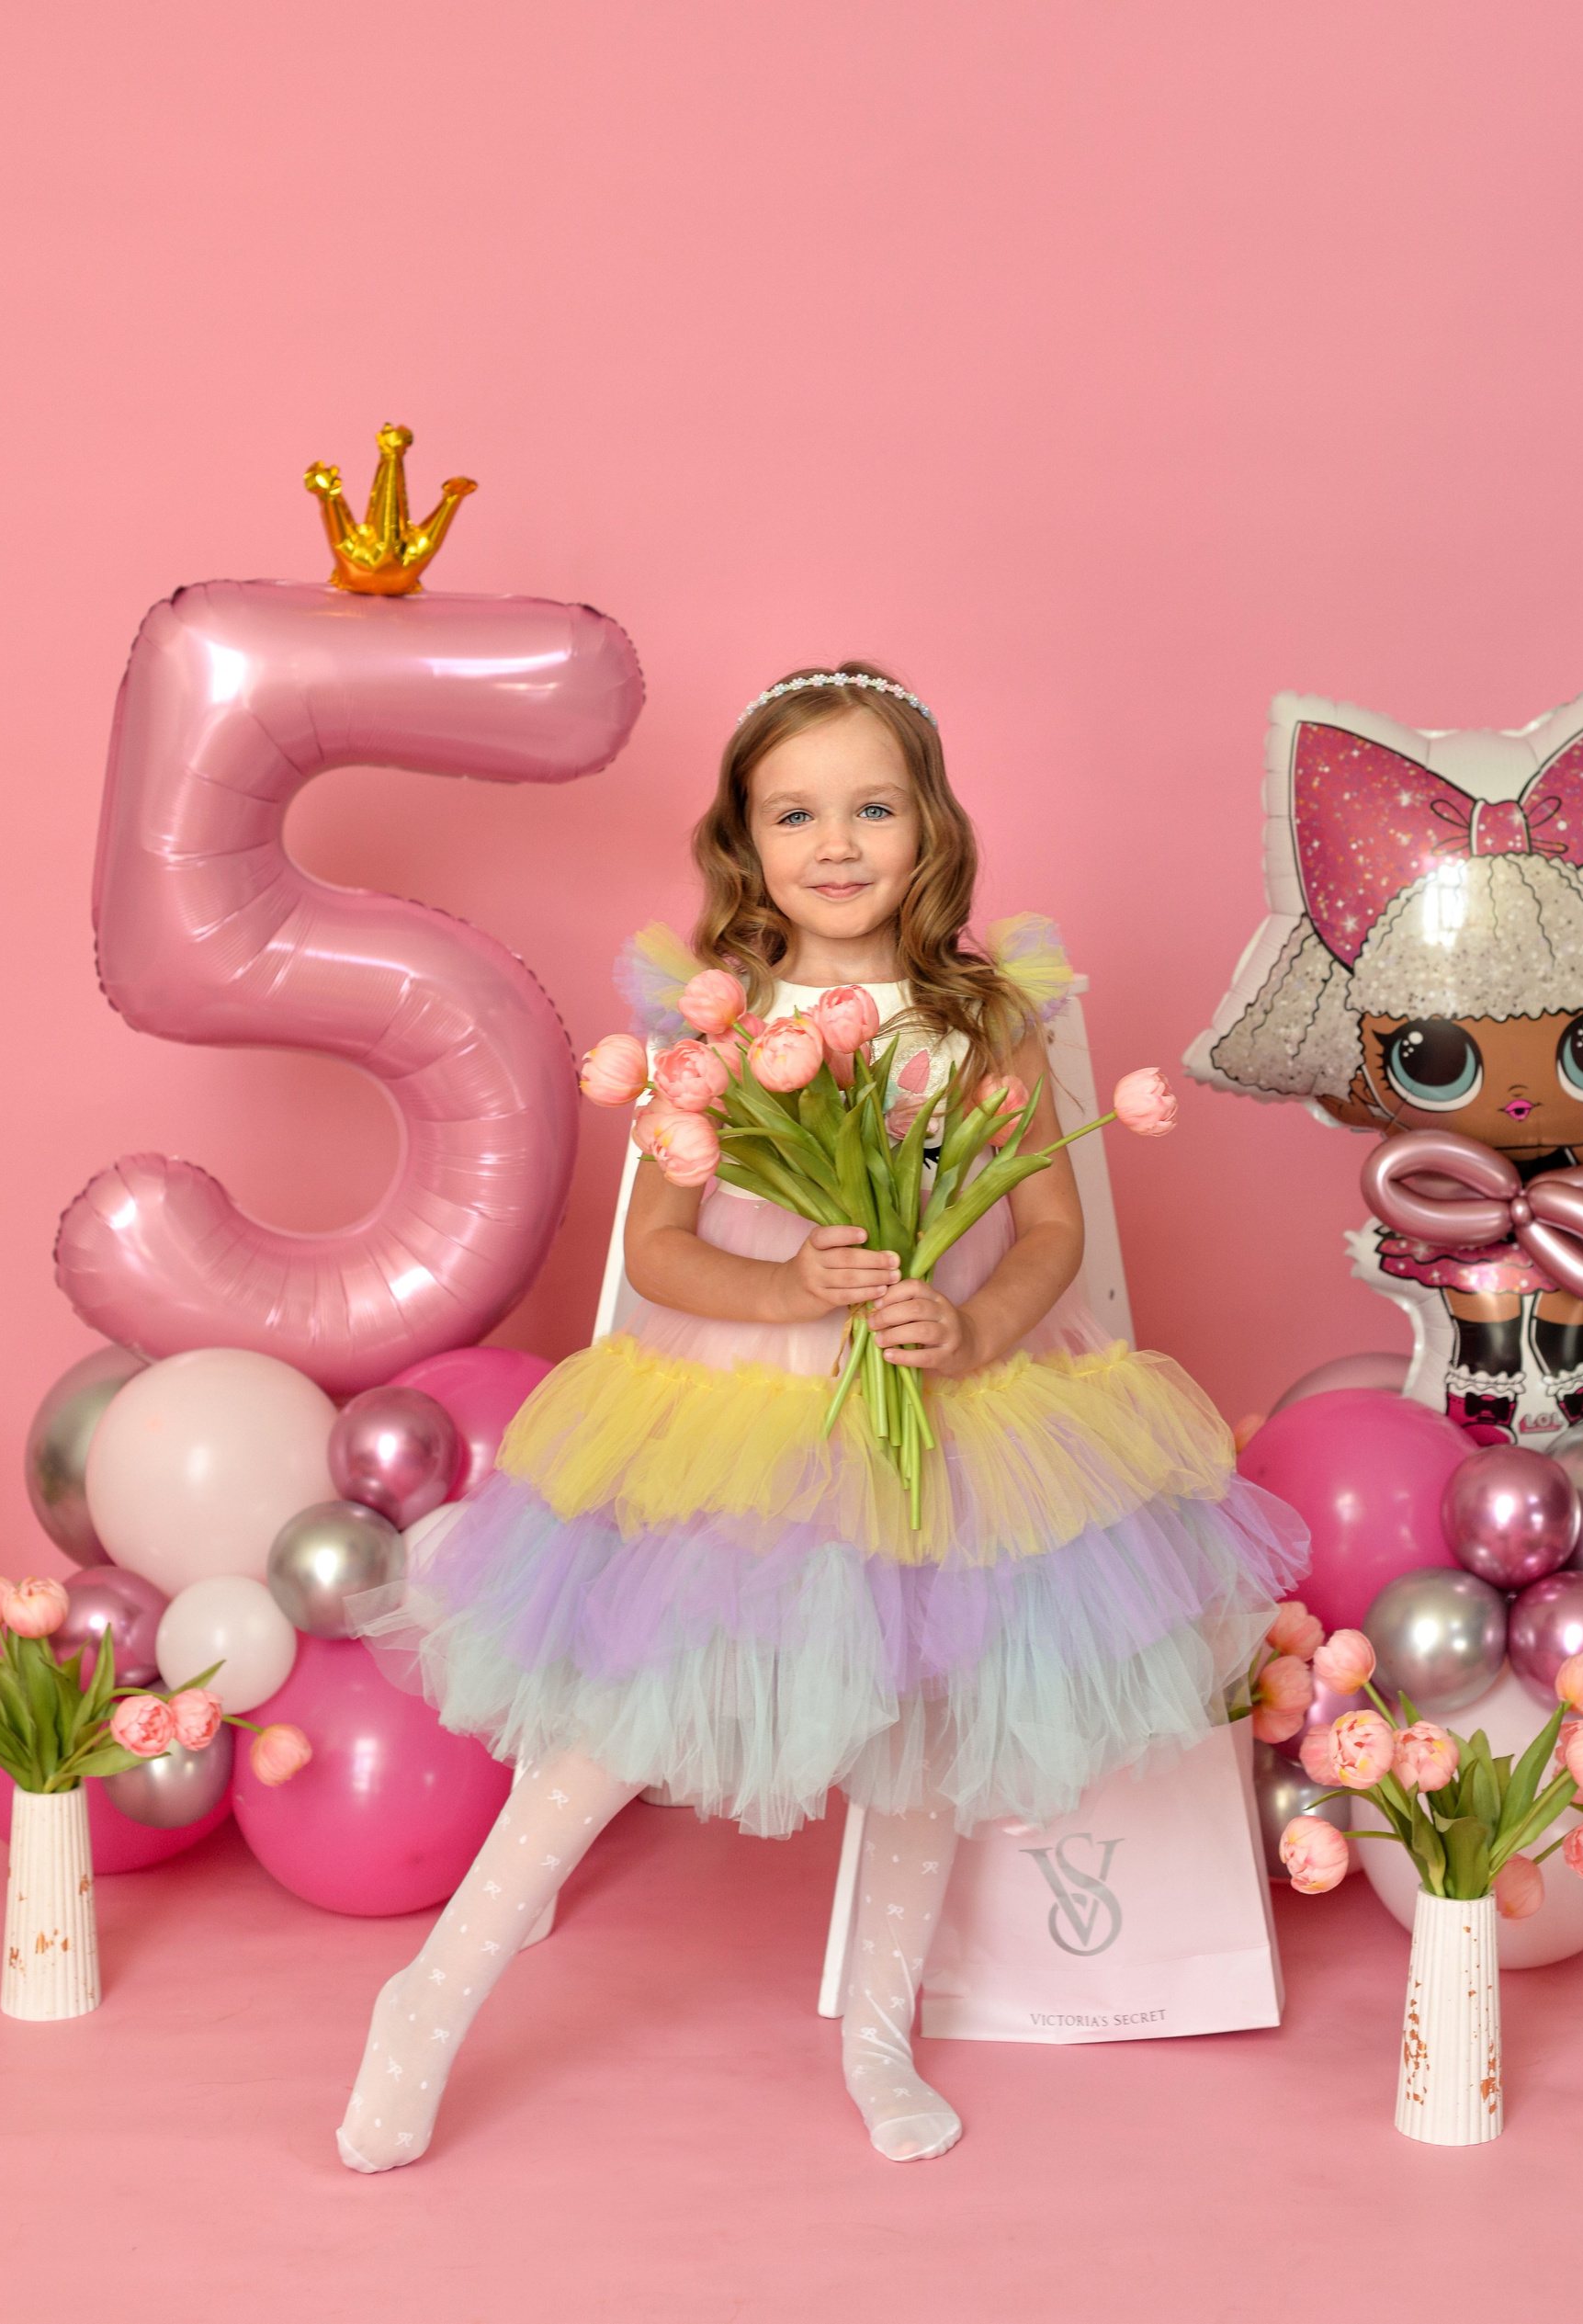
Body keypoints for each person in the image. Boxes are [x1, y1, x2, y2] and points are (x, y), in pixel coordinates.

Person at [338, 663, 1305, 2173]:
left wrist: (972, 1323)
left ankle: (877, 2030)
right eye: (795, 813)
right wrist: (792, 1284)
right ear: (744, 839)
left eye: (873, 807)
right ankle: (431, 1996)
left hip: (949, 1411)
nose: (837, 843)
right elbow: (661, 1247)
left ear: (931, 827)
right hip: (746, 1421)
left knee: (924, 1719)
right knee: (620, 1715)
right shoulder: (717, 1020)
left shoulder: (982, 1015)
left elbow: (1049, 1227)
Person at [1190, 690, 1583, 1441]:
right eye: (1433, 1059)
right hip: (1462, 1223)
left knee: (1574, 1324)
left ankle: (1575, 1391)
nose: (1521, 1100)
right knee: (1482, 1323)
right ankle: (1485, 1394)